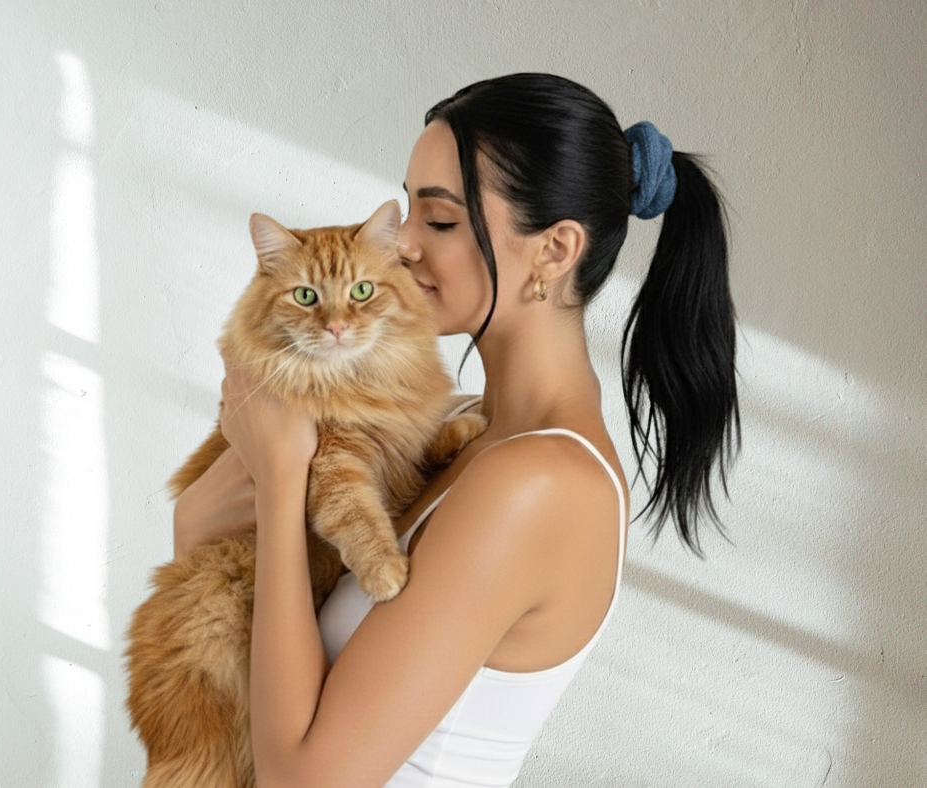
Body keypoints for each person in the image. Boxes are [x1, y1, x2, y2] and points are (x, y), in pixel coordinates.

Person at [173, 73, 739, 788]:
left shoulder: (535, 485)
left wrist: (284, 476)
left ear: (556, 251)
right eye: (407, 208)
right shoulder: (466, 432)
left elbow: (303, 781)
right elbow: (251, 650)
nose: (402, 243)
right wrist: (205, 523)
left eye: (438, 221)